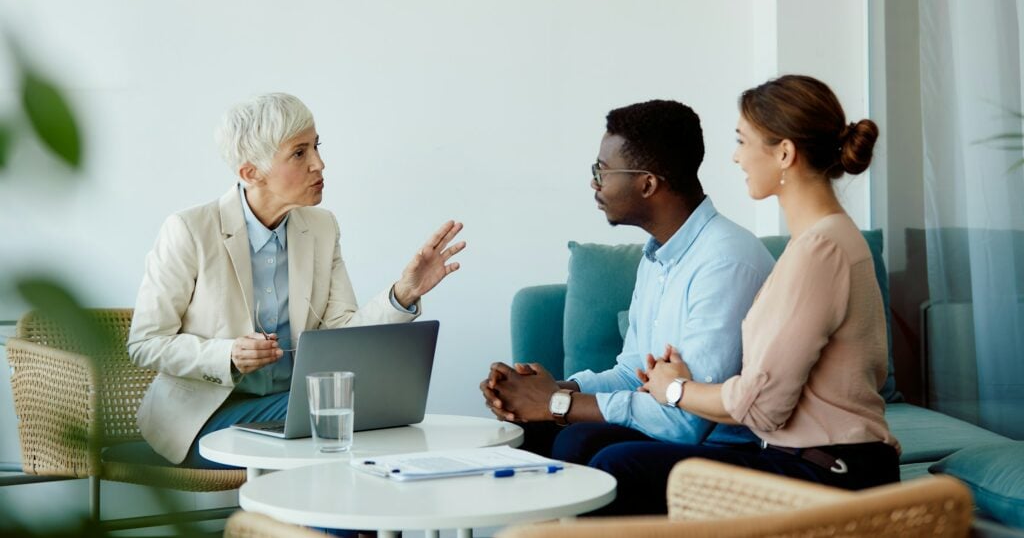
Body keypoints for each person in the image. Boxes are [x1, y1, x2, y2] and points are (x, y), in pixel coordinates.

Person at [590, 75, 900, 515]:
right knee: (603, 451)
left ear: (785, 153)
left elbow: (763, 407)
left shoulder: (820, 250)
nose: (736, 157)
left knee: (622, 465)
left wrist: (675, 389)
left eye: (743, 141)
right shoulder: (819, 242)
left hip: (829, 471)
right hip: (808, 459)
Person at [127, 93, 465, 466]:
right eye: (299, 153)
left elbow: (342, 332)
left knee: (357, 423)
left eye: (316, 147)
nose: (319, 164)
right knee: (346, 425)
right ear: (250, 172)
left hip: (296, 409)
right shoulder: (189, 230)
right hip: (205, 418)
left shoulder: (322, 227)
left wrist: (404, 292)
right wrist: (228, 354)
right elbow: (146, 343)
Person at [480, 100, 774, 466]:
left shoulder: (725, 262)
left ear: (647, 184)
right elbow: (632, 374)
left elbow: (686, 420)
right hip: (669, 429)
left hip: (722, 448)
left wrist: (556, 404)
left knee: (581, 443)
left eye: (602, 171)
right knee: (527, 431)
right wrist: (552, 390)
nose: (594, 182)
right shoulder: (657, 256)